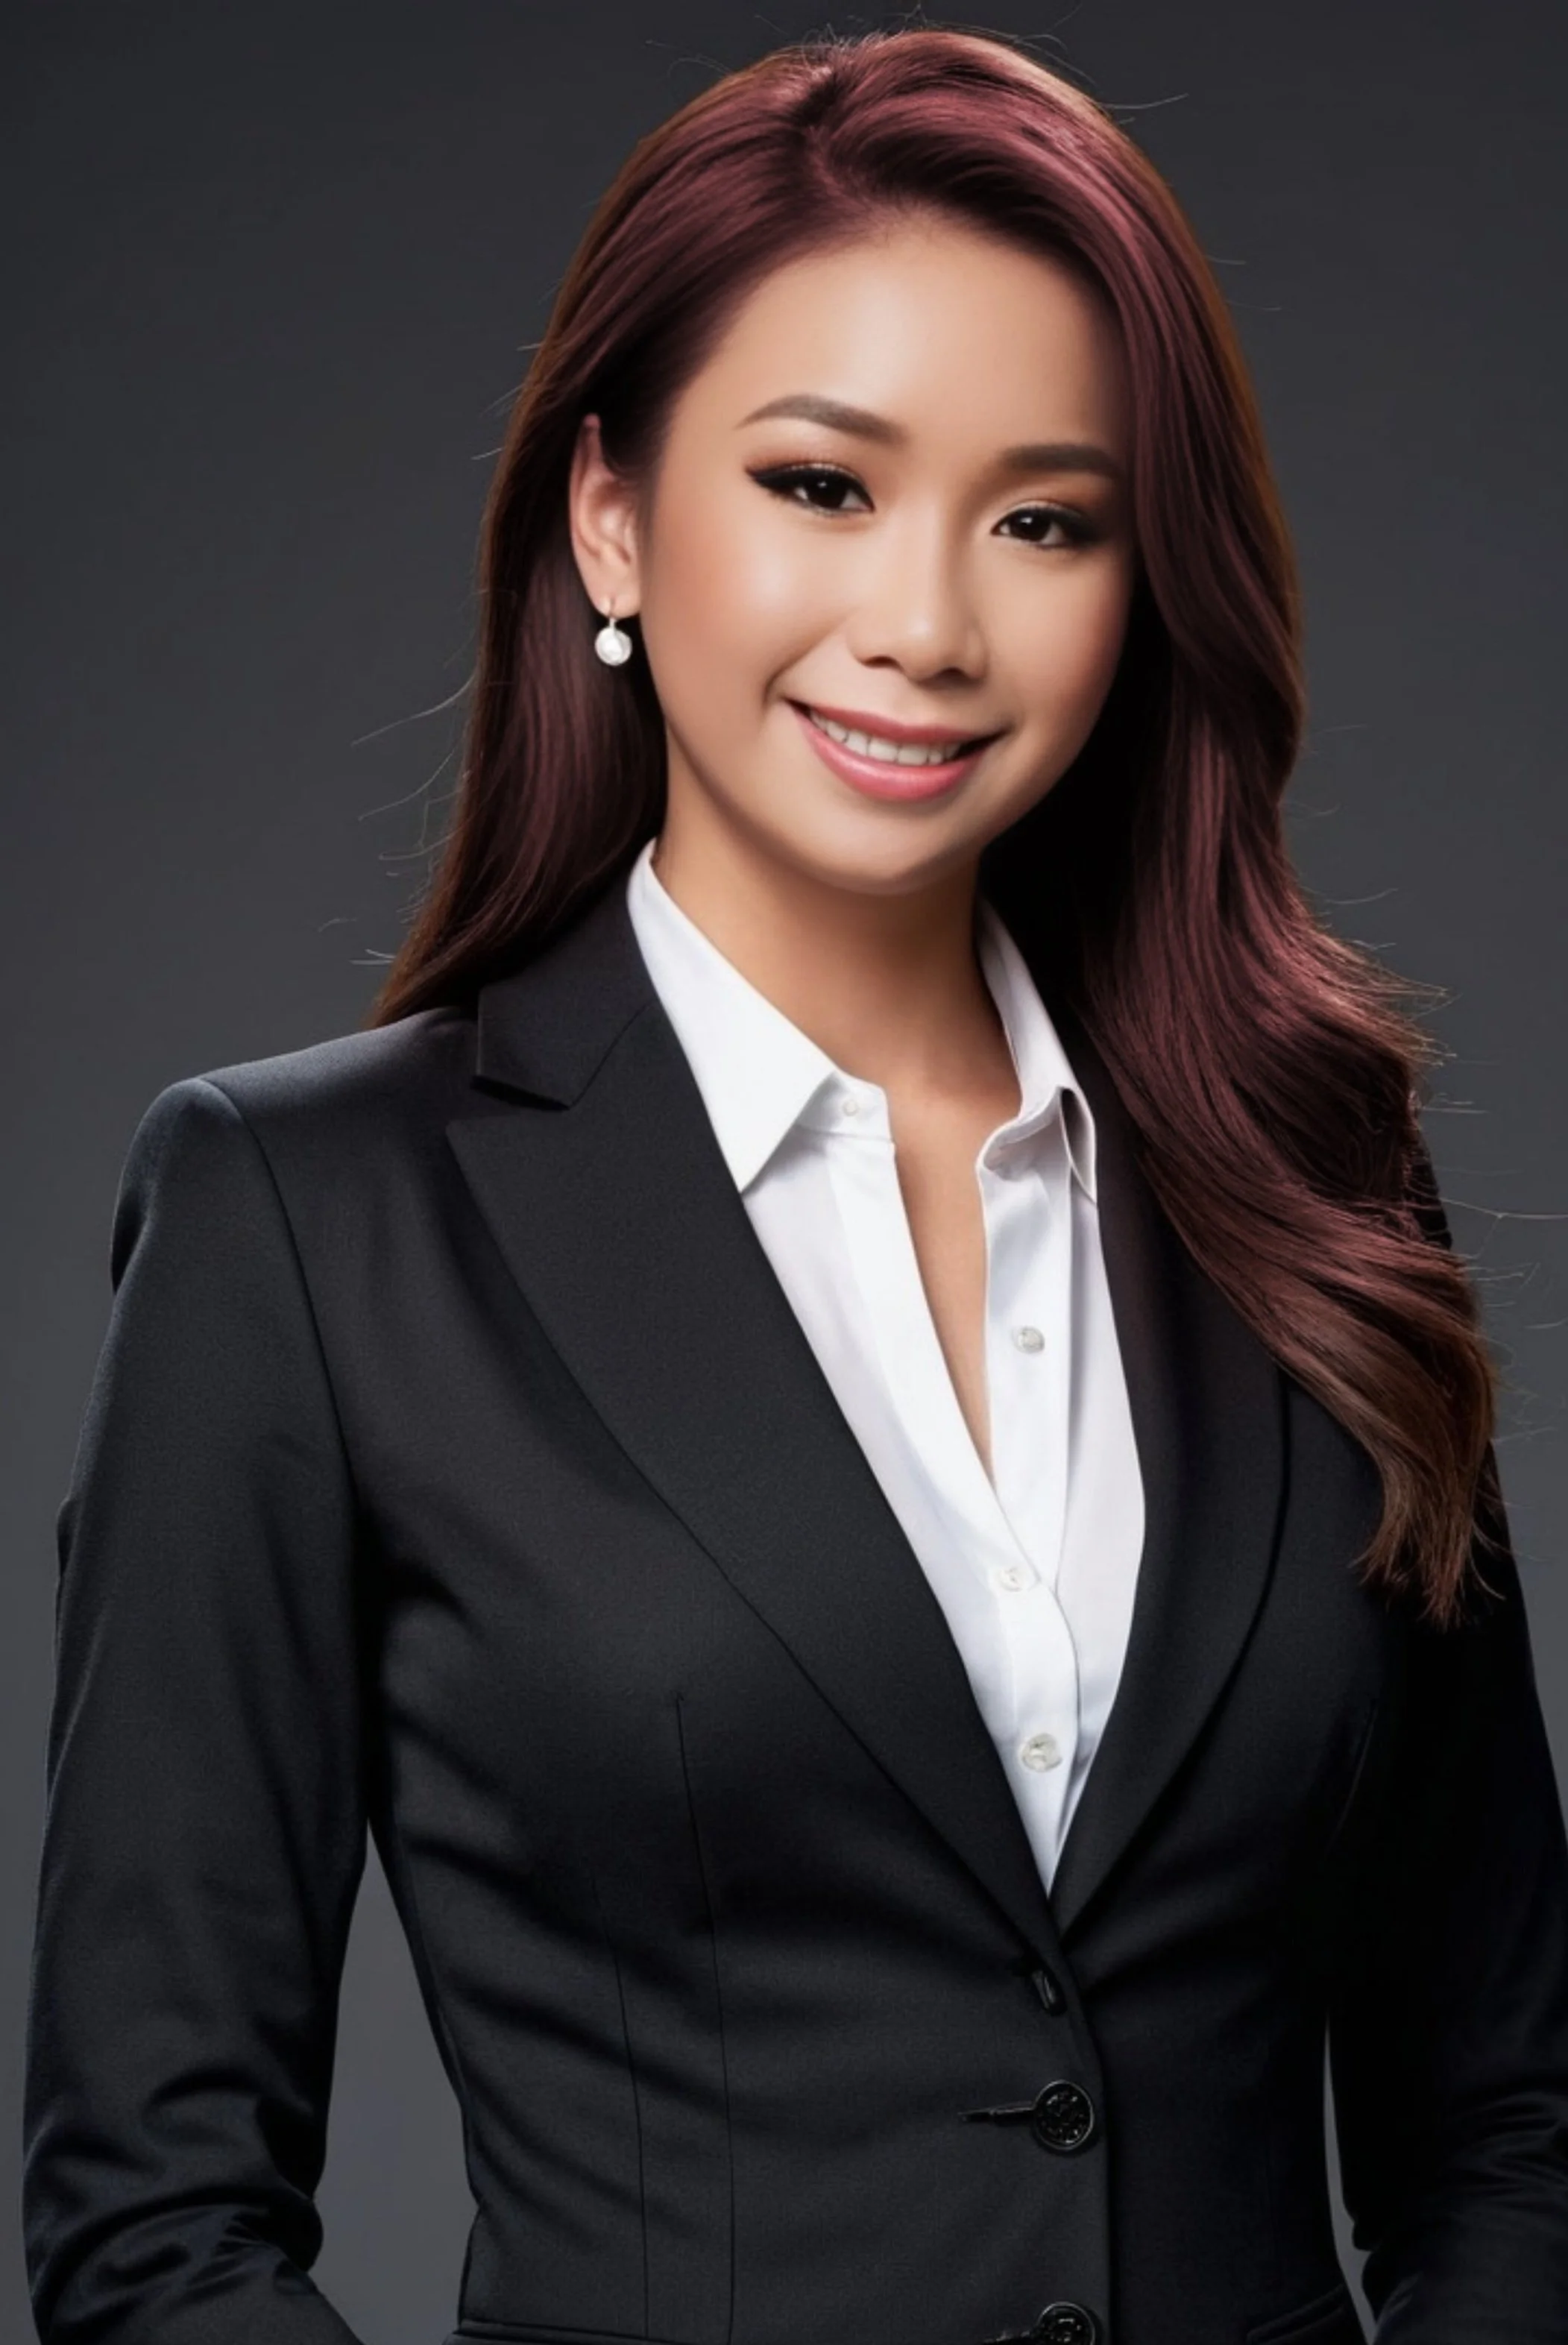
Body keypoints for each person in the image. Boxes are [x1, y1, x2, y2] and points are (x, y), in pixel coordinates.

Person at [22, 24, 1568, 2345]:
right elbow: (156, 2225)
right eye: (822, 485)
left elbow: (1510, 2122)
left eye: (1043, 521)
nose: (927, 624)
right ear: (610, 516)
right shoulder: (310, 1222)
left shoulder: (1308, 1174)